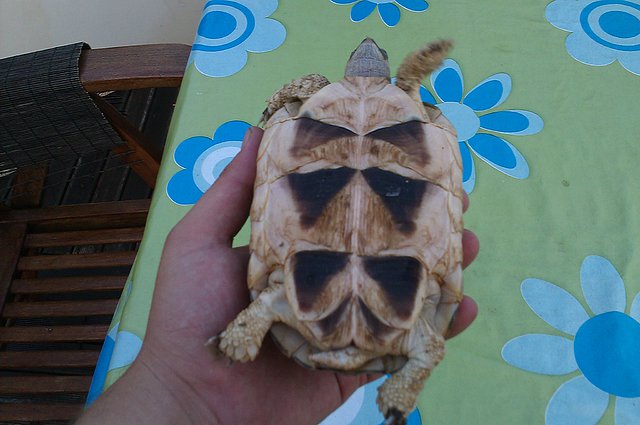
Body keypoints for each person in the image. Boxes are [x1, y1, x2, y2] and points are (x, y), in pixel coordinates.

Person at [77, 127, 480, 425]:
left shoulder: (311, 122)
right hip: (374, 291)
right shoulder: (421, 129)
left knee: (277, 299)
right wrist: (181, 386)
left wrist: (180, 386)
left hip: (324, 284)